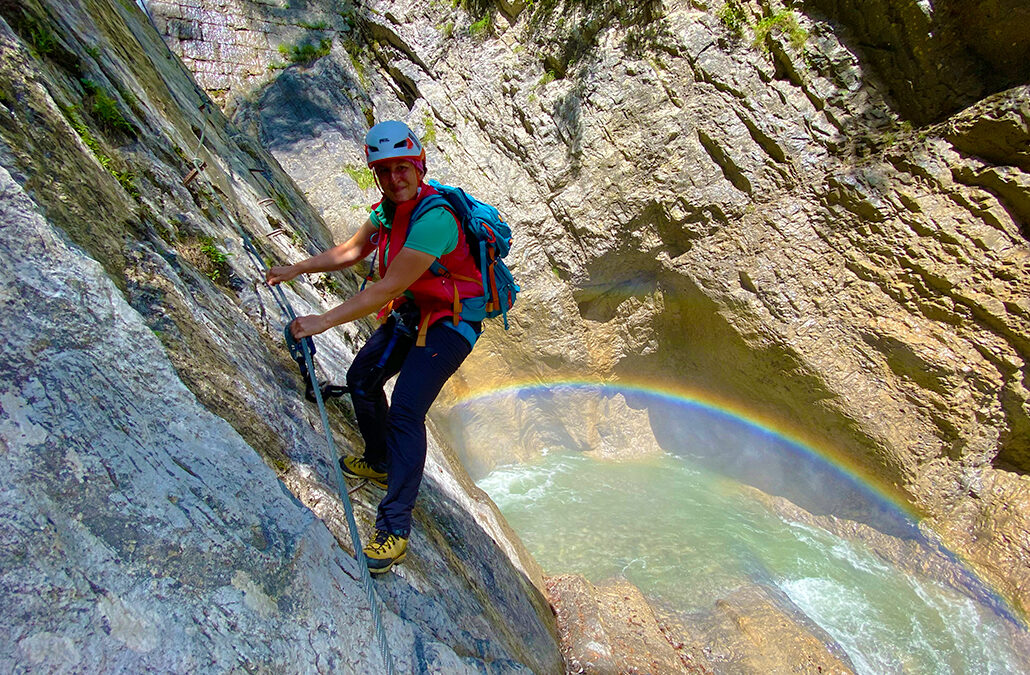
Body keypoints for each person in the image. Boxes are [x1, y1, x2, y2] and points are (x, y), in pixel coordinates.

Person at [265, 120, 485, 574]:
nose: (394, 178)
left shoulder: (436, 219)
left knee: (406, 409)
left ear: (419, 166)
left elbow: (385, 289)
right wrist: (296, 269)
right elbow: (350, 251)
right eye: (384, 171)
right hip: (416, 308)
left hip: (451, 321)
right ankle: (379, 460)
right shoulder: (386, 211)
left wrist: (322, 321)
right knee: (362, 378)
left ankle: (394, 530)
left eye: (402, 168)